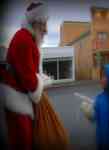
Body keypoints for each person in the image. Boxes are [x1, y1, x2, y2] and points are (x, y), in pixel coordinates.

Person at [0, 1, 48, 149]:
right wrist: (43, 81)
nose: (46, 30)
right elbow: (33, 87)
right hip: (17, 103)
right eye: (44, 24)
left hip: (18, 99)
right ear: (35, 22)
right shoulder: (25, 40)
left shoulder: (26, 38)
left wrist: (39, 79)